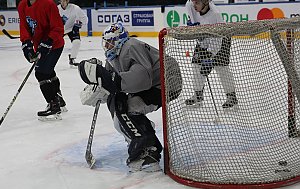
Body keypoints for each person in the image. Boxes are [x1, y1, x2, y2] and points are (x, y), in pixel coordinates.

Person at [77, 22, 182, 172]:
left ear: (120, 39)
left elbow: (142, 79)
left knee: (130, 108)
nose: (107, 47)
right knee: (118, 107)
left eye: (110, 42)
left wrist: (111, 81)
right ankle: (141, 134)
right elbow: (111, 81)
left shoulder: (131, 46)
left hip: (167, 82)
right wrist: (101, 89)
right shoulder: (114, 56)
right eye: (106, 44)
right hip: (154, 83)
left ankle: (147, 149)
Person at [18, 0, 67, 121]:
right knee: (48, 71)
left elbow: (58, 28)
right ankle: (58, 99)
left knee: (41, 73)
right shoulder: (22, 5)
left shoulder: (48, 4)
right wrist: (26, 43)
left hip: (55, 44)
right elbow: (24, 27)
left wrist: (48, 41)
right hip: (38, 44)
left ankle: (53, 105)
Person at [185, 0, 238, 109]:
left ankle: (231, 97)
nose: (194, 5)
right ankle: (198, 95)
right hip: (204, 38)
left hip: (221, 39)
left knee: (221, 68)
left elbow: (216, 42)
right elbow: (194, 20)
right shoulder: (190, 5)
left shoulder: (215, 15)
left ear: (205, 3)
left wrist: (209, 57)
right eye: (193, 2)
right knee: (196, 66)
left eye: (197, 3)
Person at [58, 0, 88, 68]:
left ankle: (72, 58)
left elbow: (85, 19)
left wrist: (79, 24)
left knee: (77, 42)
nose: (63, 3)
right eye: (61, 1)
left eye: (64, 1)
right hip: (60, 29)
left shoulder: (75, 8)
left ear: (67, 1)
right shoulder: (56, 9)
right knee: (51, 44)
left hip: (71, 28)